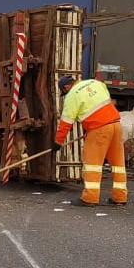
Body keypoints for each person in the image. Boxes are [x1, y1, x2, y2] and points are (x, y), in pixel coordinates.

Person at [53, 75, 128, 207]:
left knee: (92, 164)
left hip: (98, 130)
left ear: (66, 87)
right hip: (116, 125)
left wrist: (58, 142)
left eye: (64, 92)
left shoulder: (72, 95)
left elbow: (66, 123)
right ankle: (120, 197)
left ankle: (90, 197)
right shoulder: (96, 83)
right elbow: (104, 102)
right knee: (118, 164)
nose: (65, 95)